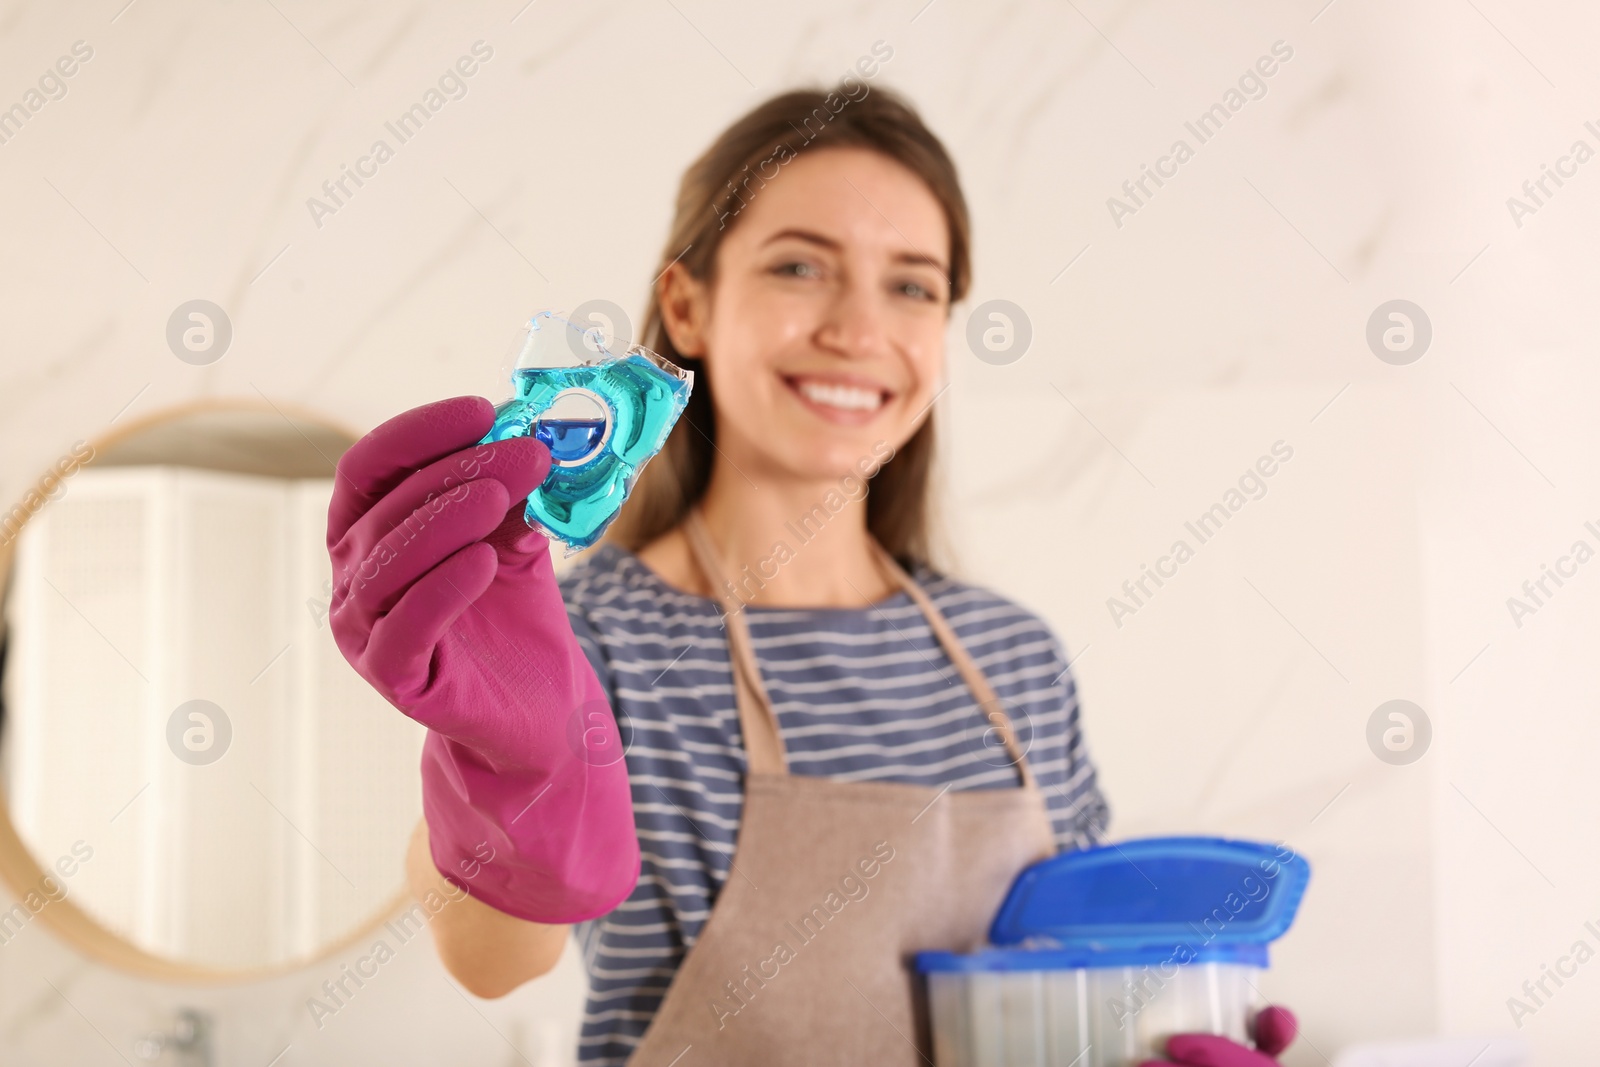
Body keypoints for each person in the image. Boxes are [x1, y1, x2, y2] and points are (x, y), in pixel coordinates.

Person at [327, 86, 1290, 1067]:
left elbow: (1067, 988)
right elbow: (491, 955)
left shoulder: (1016, 658)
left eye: (912, 286)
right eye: (799, 267)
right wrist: (509, 769)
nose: (858, 328)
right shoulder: (585, 639)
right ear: (686, 305)